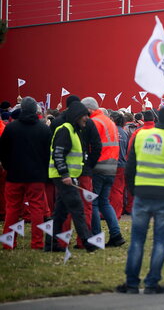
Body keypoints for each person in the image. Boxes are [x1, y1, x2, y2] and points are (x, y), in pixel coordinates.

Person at [117, 106, 164, 294]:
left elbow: (130, 166)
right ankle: (151, 283)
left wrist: (133, 190)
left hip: (142, 195)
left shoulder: (142, 136)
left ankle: (132, 283)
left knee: (137, 241)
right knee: (160, 242)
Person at [44, 101, 97, 253]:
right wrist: (65, 174)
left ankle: (50, 244)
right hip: (63, 177)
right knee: (77, 207)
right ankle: (88, 242)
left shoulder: (74, 130)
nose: (87, 119)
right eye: (84, 116)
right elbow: (58, 153)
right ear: (76, 116)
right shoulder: (65, 130)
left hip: (66, 176)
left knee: (60, 213)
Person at [0, 97, 52, 249]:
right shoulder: (44, 129)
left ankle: (9, 242)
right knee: (37, 209)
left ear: (22, 109)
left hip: (15, 175)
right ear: (36, 110)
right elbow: (48, 153)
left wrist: (8, 166)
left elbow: (3, 151)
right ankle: (37, 242)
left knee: (13, 209)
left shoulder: (11, 128)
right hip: (36, 176)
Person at [81, 97, 125, 248]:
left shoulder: (93, 122)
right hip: (112, 165)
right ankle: (116, 234)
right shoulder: (109, 121)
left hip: (99, 165)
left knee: (93, 203)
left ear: (89, 109)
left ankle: (96, 237)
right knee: (104, 201)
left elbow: (90, 145)